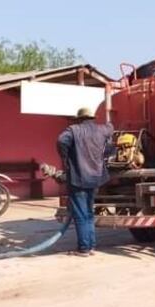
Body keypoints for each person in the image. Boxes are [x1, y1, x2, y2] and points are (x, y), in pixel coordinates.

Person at [57, 107, 113, 256]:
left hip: (78, 178)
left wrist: (66, 158)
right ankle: (91, 246)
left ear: (79, 118)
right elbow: (110, 130)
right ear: (92, 118)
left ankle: (84, 248)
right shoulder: (101, 130)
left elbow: (61, 140)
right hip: (95, 178)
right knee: (88, 213)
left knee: (81, 215)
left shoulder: (74, 130)